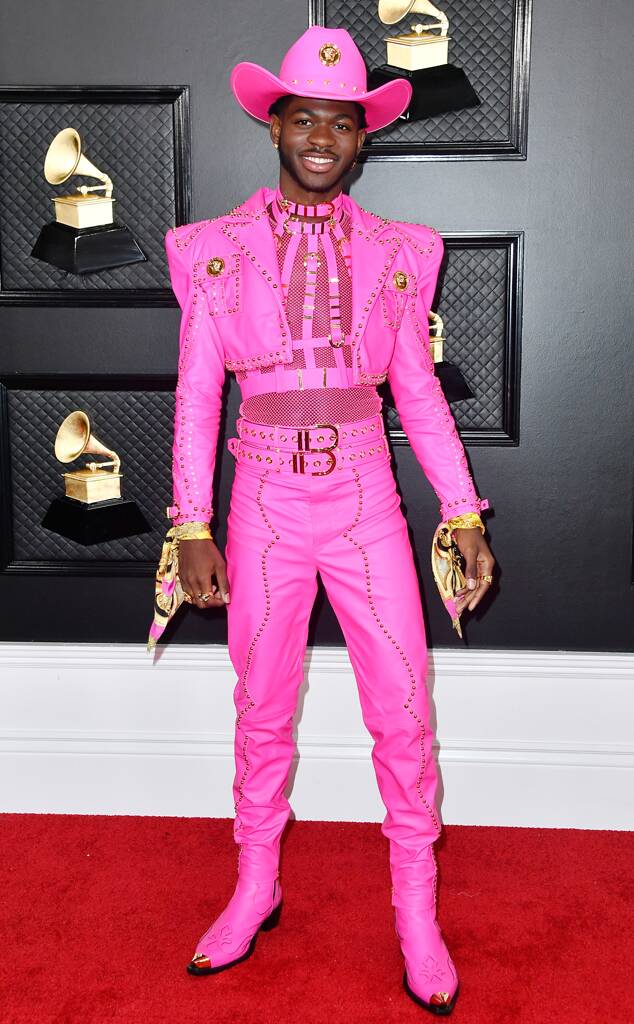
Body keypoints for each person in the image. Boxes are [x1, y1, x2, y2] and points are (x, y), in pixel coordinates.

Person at [162, 26, 495, 1016]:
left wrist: (462, 510)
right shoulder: (211, 252)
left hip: (364, 504)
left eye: (341, 123)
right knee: (261, 705)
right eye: (303, 117)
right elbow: (196, 396)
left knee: (404, 707)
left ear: (361, 138)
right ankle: (255, 884)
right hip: (261, 505)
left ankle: (416, 911)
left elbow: (418, 396)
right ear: (274, 127)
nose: (321, 137)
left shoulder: (400, 253)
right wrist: (190, 524)